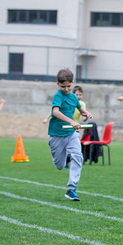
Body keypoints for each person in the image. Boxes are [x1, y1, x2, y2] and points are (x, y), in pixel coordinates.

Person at [48, 68, 92, 201]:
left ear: (72, 83)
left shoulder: (73, 97)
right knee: (59, 165)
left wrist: (85, 112)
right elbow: (55, 112)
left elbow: (79, 107)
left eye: (68, 86)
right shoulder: (58, 96)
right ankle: (60, 156)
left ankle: (71, 189)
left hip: (72, 133)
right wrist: (71, 121)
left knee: (78, 157)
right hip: (57, 134)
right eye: (63, 87)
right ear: (58, 84)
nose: (66, 89)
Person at [43, 85, 86, 168]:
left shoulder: (82, 104)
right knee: (61, 156)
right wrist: (46, 118)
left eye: (80, 95)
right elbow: (54, 110)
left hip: (74, 129)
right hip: (63, 127)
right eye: (77, 94)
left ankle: (72, 178)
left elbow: (83, 114)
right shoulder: (63, 98)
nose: (78, 96)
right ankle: (63, 161)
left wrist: (85, 117)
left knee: (76, 152)